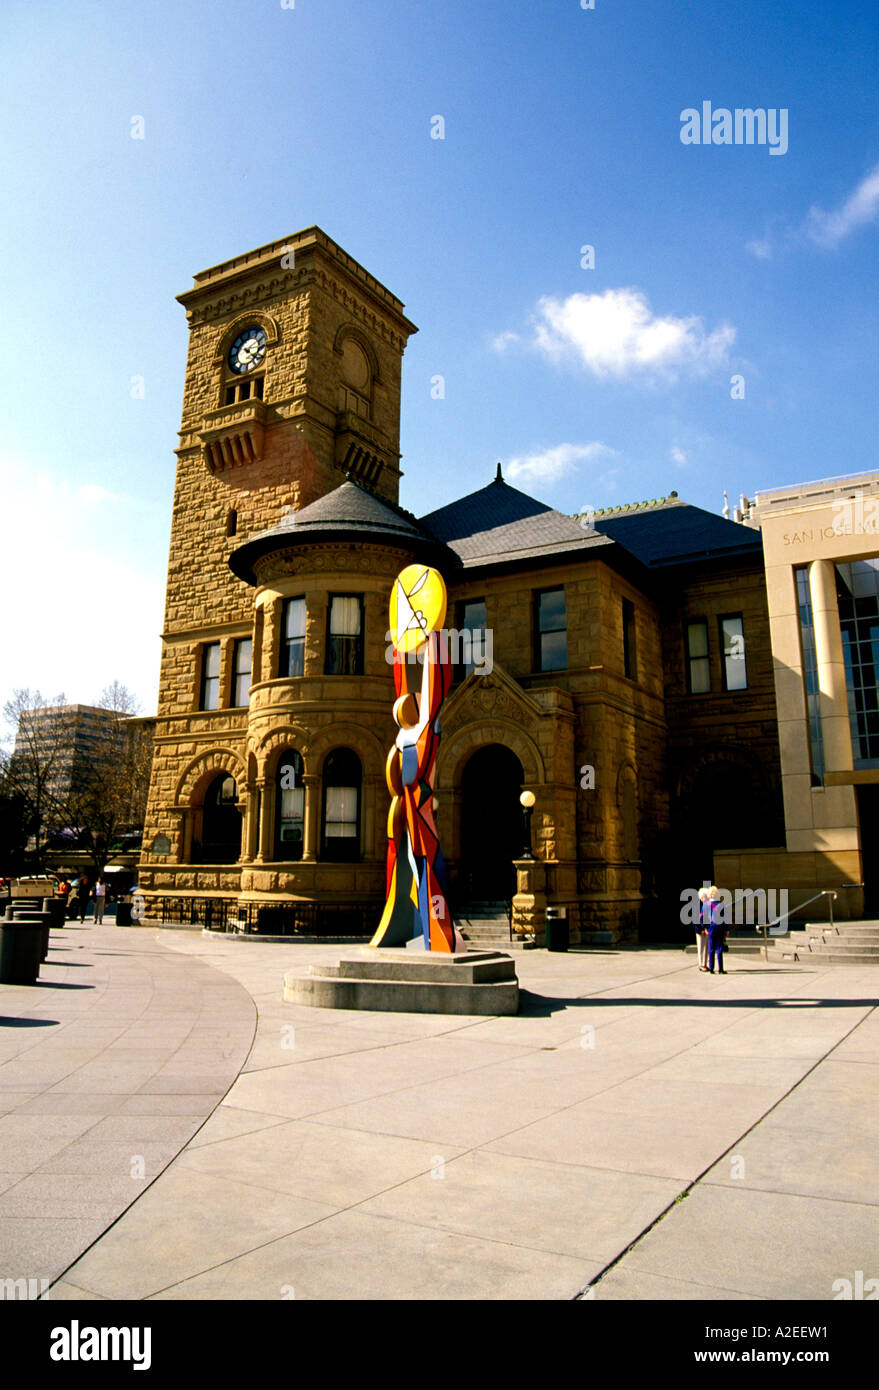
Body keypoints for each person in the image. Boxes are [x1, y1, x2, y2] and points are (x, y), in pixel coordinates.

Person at [705, 884, 727, 974]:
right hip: (720, 927)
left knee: (711, 948)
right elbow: (725, 918)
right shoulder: (721, 905)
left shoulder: (706, 905)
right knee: (719, 948)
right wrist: (726, 929)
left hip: (711, 927)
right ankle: (720, 968)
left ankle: (711, 968)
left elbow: (702, 917)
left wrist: (705, 927)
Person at [696, 887, 711, 971]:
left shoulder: (707, 905)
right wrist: (702, 929)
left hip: (707, 929)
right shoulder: (698, 905)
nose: (707, 898)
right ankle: (701, 964)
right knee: (701, 947)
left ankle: (705, 964)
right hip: (700, 929)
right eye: (706, 896)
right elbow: (697, 919)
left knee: (706, 947)